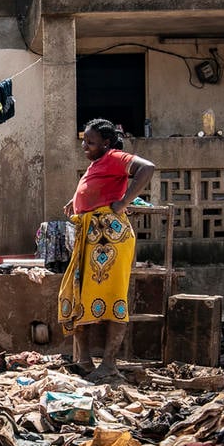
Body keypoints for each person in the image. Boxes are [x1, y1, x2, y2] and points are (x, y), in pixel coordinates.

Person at [58, 118, 155, 382]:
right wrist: (76, 199)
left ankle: (109, 364)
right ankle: (85, 360)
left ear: (106, 143)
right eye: (84, 140)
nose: (84, 146)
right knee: (80, 293)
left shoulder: (114, 156)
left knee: (112, 298)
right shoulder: (98, 163)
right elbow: (97, 188)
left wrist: (124, 202)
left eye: (90, 142)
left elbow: (147, 168)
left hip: (109, 237)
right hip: (90, 234)